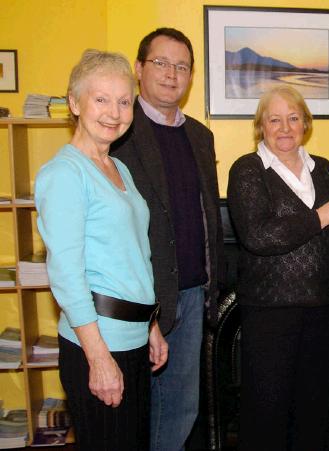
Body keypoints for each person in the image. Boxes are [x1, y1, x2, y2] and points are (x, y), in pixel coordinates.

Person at [35, 49, 168, 451]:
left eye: (124, 101)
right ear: (74, 103)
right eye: (101, 99)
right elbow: (67, 275)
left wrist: (151, 324)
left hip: (131, 337)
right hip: (98, 343)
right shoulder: (64, 173)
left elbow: (132, 255)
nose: (115, 112)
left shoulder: (118, 167)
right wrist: (98, 358)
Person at [110, 28, 224, 451]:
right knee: (130, 409)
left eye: (182, 66)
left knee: (180, 409)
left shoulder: (200, 135)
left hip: (192, 294)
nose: (171, 74)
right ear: (139, 68)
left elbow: (207, 215)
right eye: (161, 63)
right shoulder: (118, 130)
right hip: (134, 298)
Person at [227, 85, 329, 451]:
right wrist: (321, 217)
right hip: (269, 312)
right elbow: (258, 236)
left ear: (306, 123)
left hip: (320, 307)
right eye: (274, 119)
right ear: (261, 126)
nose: (284, 127)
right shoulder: (248, 169)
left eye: (293, 118)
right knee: (265, 413)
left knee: (315, 412)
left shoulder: (324, 168)